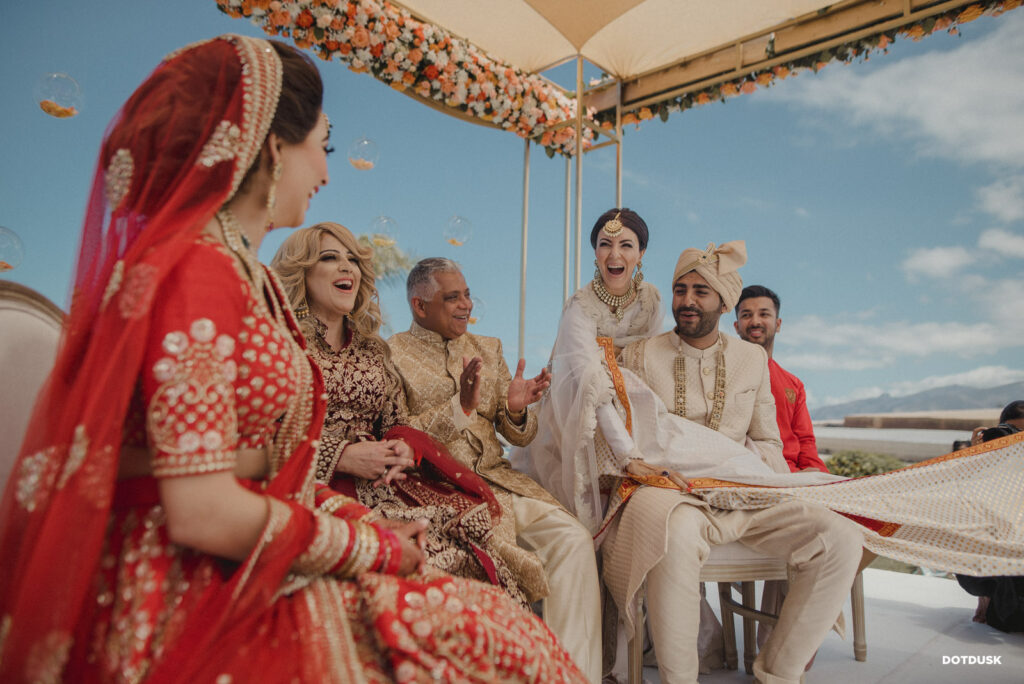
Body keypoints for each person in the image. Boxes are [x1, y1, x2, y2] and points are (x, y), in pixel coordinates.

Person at [0, 35, 586, 683]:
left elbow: (292, 456)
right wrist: (372, 542)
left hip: (288, 528)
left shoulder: (242, 280)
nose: (328, 173)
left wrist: (377, 519)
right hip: (191, 583)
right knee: (500, 642)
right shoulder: (196, 272)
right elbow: (202, 506)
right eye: (322, 146)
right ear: (273, 146)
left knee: (508, 611)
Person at [271, 222, 536, 605]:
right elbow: (259, 435)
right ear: (302, 270)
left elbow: (396, 422)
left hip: (387, 486)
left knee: (468, 559)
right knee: (411, 575)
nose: (347, 268)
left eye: (352, 260)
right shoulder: (280, 344)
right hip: (312, 489)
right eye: (330, 258)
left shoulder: (372, 349)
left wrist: (401, 448)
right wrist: (339, 457)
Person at [389, 258, 603, 682]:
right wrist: (460, 408)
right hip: (435, 493)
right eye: (453, 298)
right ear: (419, 306)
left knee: (574, 540)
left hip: (498, 481)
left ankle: (571, 675)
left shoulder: (488, 348)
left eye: (467, 294)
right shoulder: (392, 354)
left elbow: (518, 437)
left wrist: (516, 410)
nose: (466, 304)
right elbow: (398, 433)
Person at [734, 285, 829, 473]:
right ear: (736, 327)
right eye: (746, 315)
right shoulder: (725, 375)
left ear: (778, 324)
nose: (755, 321)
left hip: (799, 477)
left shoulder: (793, 385)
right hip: (753, 474)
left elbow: (805, 440)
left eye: (764, 314)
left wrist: (820, 478)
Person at [956, 400, 1024, 633]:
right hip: (998, 570)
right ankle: (989, 596)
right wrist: (975, 458)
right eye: (1011, 432)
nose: (1015, 440)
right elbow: (955, 507)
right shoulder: (986, 469)